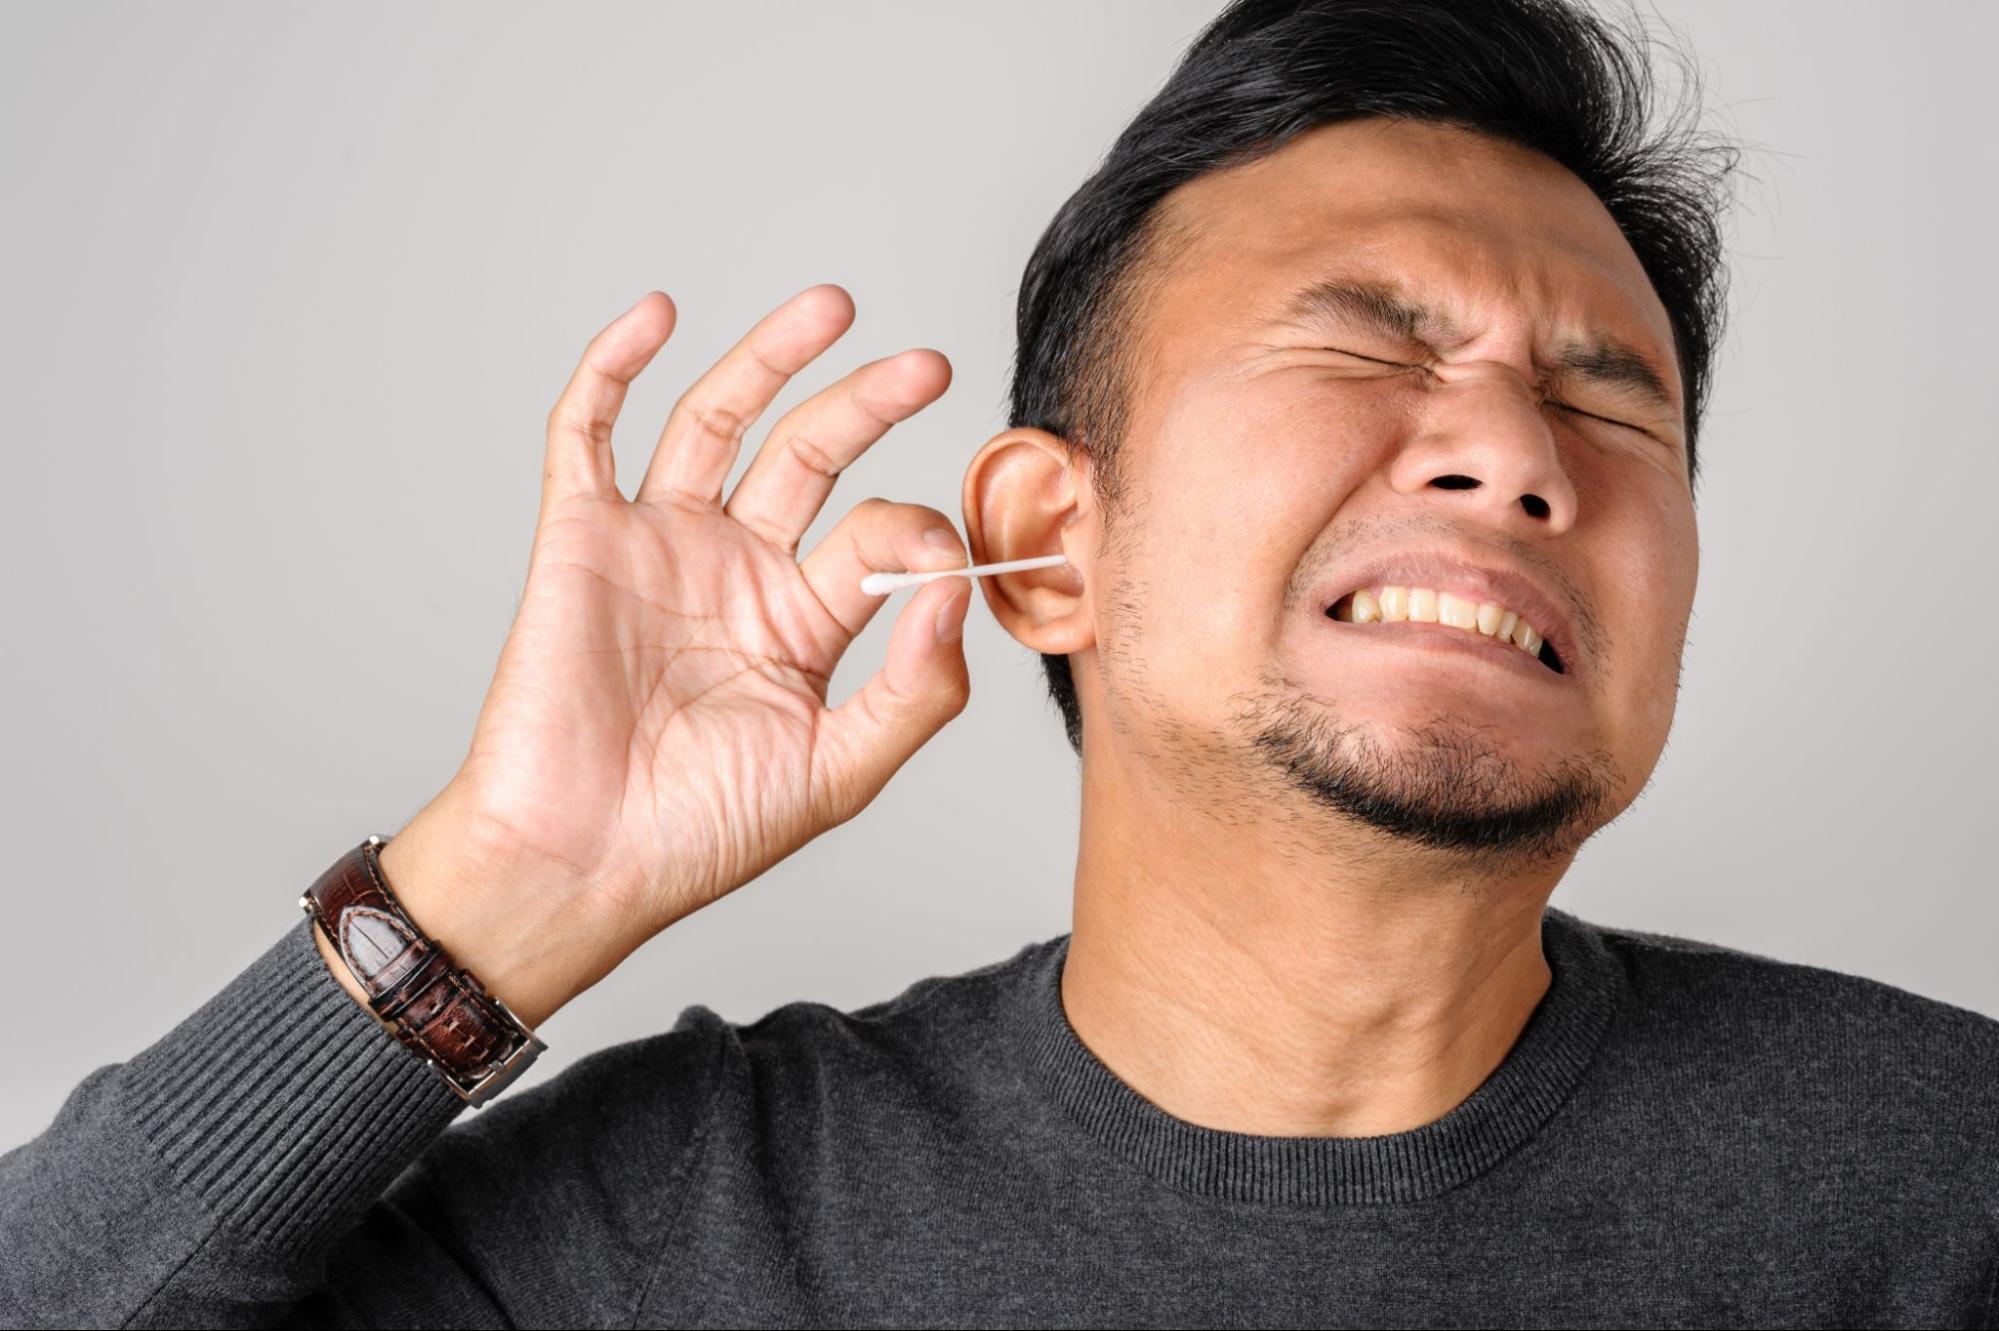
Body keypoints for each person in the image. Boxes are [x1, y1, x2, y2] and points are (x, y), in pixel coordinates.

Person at [5, 0, 1996, 1325]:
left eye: (1609, 396)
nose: (1515, 451)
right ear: (1051, 543)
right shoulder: (685, 1234)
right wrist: (501, 885)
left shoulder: (1936, 1184)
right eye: (1370, 343)